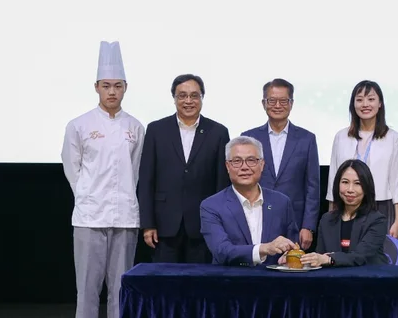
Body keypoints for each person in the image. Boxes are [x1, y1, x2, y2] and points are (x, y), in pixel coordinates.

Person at [60, 41, 144, 318]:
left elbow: (136, 170)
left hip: (125, 216)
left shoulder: (135, 127)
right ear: (96, 87)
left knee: (121, 285)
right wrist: (87, 196)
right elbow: (72, 168)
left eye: (117, 86)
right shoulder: (79, 125)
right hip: (88, 216)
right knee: (88, 286)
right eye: (106, 85)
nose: (112, 91)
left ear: (125, 88)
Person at [137, 74, 231, 263]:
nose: (188, 101)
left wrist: (219, 225)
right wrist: (148, 224)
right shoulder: (156, 130)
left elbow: (222, 183)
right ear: (174, 98)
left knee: (199, 279)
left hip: (203, 225)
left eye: (194, 96)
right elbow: (146, 179)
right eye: (182, 96)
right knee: (164, 279)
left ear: (202, 97)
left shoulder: (218, 132)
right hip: (163, 226)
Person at [242, 78, 320, 250]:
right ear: (263, 103)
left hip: (294, 221)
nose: (277, 105)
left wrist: (308, 226)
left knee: (290, 265)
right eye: (272, 100)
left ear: (291, 103)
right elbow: (242, 182)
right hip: (255, 218)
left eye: (283, 101)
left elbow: (312, 187)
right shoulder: (249, 138)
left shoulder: (307, 139)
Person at [200, 137, 299, 267]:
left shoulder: (281, 202)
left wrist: (289, 254)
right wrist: (264, 248)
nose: (245, 167)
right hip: (230, 278)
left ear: (262, 164)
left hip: (273, 278)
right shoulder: (211, 206)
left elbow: (293, 244)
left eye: (251, 160)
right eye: (237, 161)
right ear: (227, 166)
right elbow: (221, 251)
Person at [327, 80, 398, 240]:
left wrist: (397, 221)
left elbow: (397, 182)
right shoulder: (341, 137)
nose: (365, 104)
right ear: (353, 104)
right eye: (359, 99)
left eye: (371, 99)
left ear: (380, 104)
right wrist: (331, 214)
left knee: (378, 252)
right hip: (346, 205)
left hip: (381, 205)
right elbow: (333, 178)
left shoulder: (392, 137)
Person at [296, 159, 387, 267]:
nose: (350, 189)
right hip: (333, 277)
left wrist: (329, 259)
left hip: (368, 276)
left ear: (367, 187)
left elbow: (359, 257)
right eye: (345, 182)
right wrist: (295, 258)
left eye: (357, 183)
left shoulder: (377, 220)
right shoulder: (326, 220)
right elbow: (320, 258)